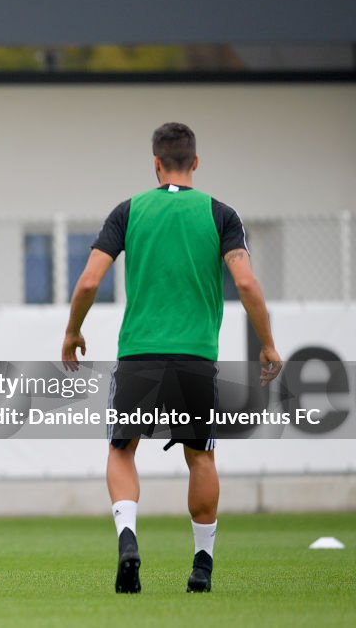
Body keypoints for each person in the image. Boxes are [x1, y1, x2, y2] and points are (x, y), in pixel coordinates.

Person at [61, 123, 282, 594]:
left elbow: (86, 282)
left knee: (122, 450)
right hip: (196, 357)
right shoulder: (220, 214)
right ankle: (202, 564)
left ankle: (128, 540)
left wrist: (73, 330)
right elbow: (245, 282)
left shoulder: (130, 210)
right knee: (200, 455)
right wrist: (267, 343)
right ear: (195, 163)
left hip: (139, 354)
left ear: (156, 164)